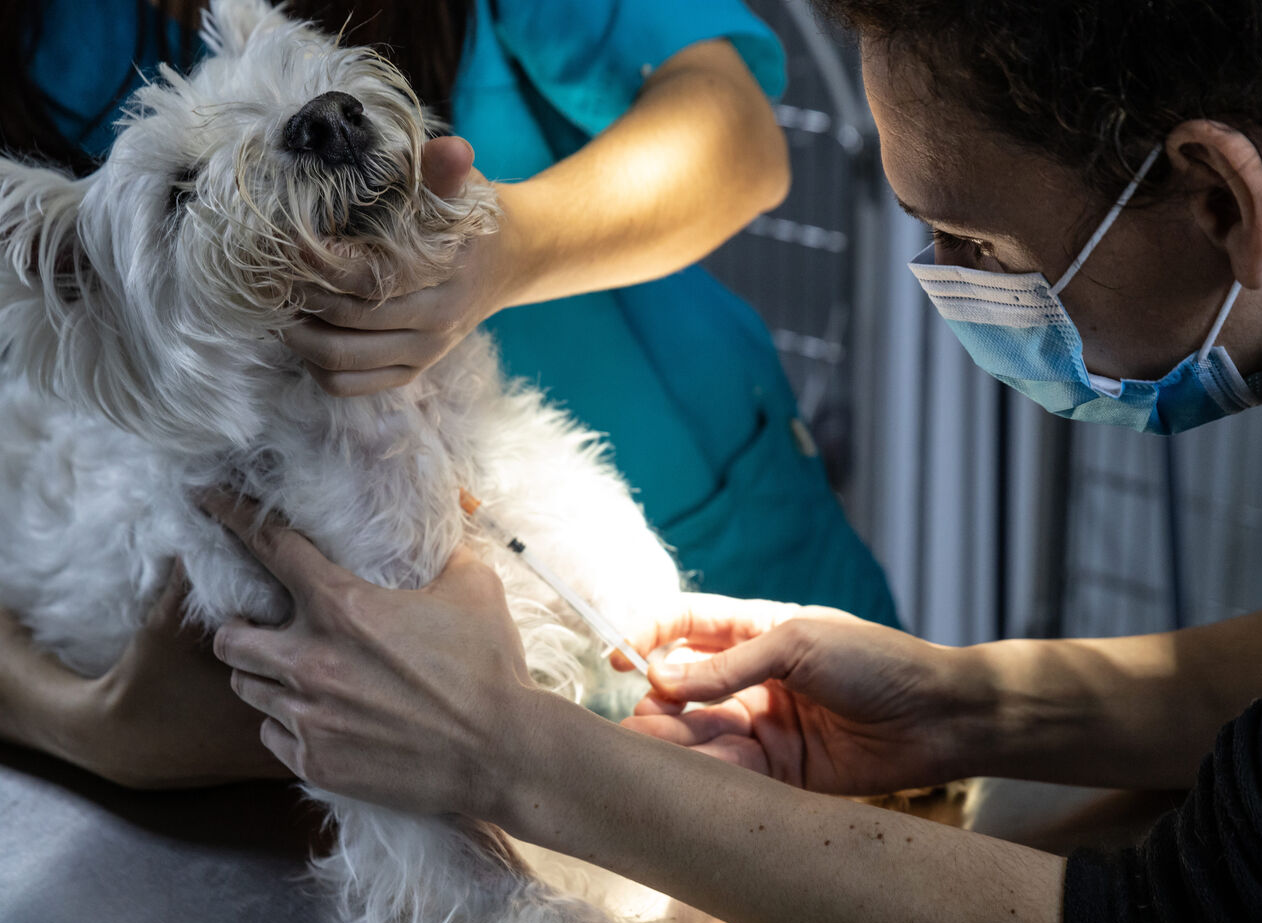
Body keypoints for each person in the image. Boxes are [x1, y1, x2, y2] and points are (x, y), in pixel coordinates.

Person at [199, 0, 1262, 923]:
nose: (952, 282)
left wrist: (512, 757)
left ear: (1221, 201)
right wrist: (966, 706)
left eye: (979, 244)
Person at [0, 0, 897, 788]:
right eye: (189, 191)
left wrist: (514, 245)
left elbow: (738, 133)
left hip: (724, 547)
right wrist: (98, 727)